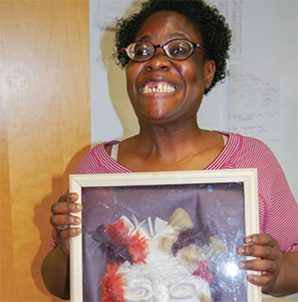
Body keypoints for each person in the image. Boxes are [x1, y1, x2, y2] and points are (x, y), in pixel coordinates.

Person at [41, 0, 298, 300]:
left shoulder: (252, 161)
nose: (156, 62)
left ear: (207, 72)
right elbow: (60, 285)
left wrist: (276, 271)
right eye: (143, 51)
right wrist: (68, 246)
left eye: (178, 50)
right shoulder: (97, 170)